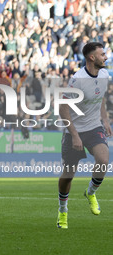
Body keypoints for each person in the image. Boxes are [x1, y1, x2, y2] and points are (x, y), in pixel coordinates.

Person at [57, 42, 111, 229]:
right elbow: (62, 108)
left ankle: (90, 192)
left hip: (94, 127)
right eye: (102, 54)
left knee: (103, 160)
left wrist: (104, 120)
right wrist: (74, 135)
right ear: (91, 58)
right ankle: (63, 211)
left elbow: (100, 97)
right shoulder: (77, 80)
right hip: (74, 130)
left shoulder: (104, 74)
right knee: (68, 175)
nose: (106, 57)